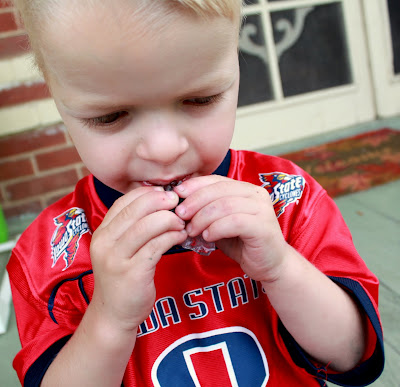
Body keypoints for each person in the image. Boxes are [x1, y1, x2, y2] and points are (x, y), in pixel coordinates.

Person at [7, 0, 384, 386]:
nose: (163, 148)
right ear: (56, 96)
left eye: (199, 100)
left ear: (235, 65)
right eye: (110, 116)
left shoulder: (287, 199)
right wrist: (109, 319)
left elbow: (352, 353)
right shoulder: (51, 255)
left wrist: (280, 268)